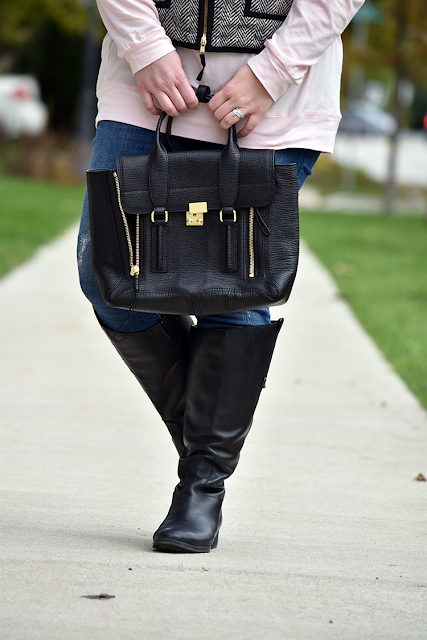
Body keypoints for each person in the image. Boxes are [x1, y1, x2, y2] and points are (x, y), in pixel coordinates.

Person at [78, 0, 365, 553]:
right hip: (146, 87)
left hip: (275, 99)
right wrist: (145, 49)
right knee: (108, 277)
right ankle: (203, 438)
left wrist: (271, 72)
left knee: (237, 288)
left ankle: (202, 486)